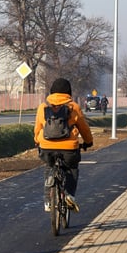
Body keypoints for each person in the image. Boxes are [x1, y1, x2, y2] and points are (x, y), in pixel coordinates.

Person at [34, 78, 93, 212]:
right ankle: (70, 196)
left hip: (47, 147)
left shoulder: (43, 107)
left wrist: (37, 141)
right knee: (72, 168)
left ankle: (48, 202)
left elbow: (37, 128)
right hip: (69, 149)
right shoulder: (74, 107)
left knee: (49, 167)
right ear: (68, 92)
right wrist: (88, 142)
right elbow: (84, 128)